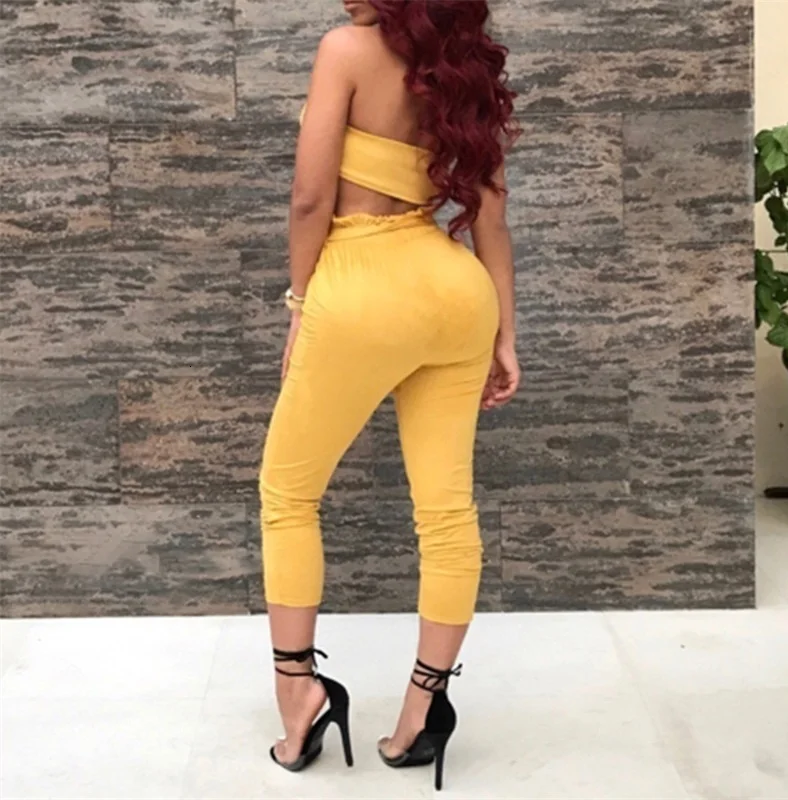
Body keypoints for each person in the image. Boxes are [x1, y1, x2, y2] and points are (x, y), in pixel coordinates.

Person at [258, 0, 520, 790]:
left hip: (362, 286)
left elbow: (310, 199)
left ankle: (299, 697)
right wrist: (505, 336)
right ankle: (421, 715)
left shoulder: (345, 49)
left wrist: (300, 304)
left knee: (288, 495)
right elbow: (492, 217)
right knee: (446, 514)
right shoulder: (463, 65)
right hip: (457, 294)